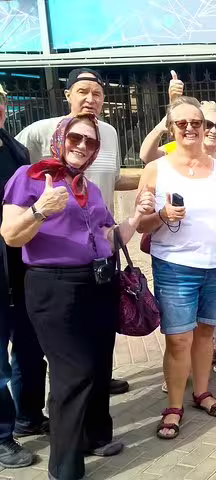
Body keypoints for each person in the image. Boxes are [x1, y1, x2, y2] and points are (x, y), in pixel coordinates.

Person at [1, 113, 155, 479]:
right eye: (76, 138)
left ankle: (94, 437)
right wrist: (40, 211)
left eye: (90, 141)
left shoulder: (91, 188)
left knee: (100, 364)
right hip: (53, 287)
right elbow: (10, 234)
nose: (83, 146)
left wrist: (135, 216)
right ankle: (64, 466)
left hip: (99, 283)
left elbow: (109, 238)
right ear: (60, 138)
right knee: (73, 373)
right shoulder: (31, 177)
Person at [15, 67, 137, 395]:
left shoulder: (109, 133)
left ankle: (99, 381)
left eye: (97, 93)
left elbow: (114, 176)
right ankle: (34, 410)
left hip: (102, 244)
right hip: (52, 254)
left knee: (100, 326)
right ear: (68, 95)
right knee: (50, 340)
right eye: (82, 91)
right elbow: (18, 175)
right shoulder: (42, 131)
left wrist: (154, 177)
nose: (90, 99)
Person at [137, 97, 216, 439]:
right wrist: (162, 216)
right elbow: (142, 224)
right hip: (176, 266)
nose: (193, 128)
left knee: (206, 333)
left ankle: (202, 392)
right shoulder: (157, 169)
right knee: (179, 339)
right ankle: (174, 405)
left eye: (199, 123)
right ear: (171, 128)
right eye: (183, 123)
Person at [145, 75, 216, 358]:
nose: (212, 131)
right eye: (209, 125)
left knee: (211, 321)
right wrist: (171, 112)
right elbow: (146, 154)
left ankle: (214, 362)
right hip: (177, 262)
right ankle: (179, 372)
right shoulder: (172, 152)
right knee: (181, 333)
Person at [0, 84, 39, 469]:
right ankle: (1, 436)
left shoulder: (16, 151)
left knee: (31, 351)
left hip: (22, 269)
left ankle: (29, 416)